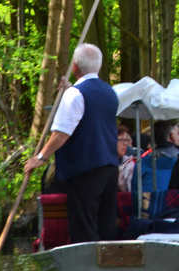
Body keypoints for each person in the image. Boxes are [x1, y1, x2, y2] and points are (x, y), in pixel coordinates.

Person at [24, 43, 120, 244]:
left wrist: (41, 158)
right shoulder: (110, 92)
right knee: (105, 227)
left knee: (84, 230)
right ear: (98, 66)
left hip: (86, 170)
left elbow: (61, 133)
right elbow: (91, 113)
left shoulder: (75, 94)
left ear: (74, 66)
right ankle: (109, 270)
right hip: (110, 169)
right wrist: (71, 89)